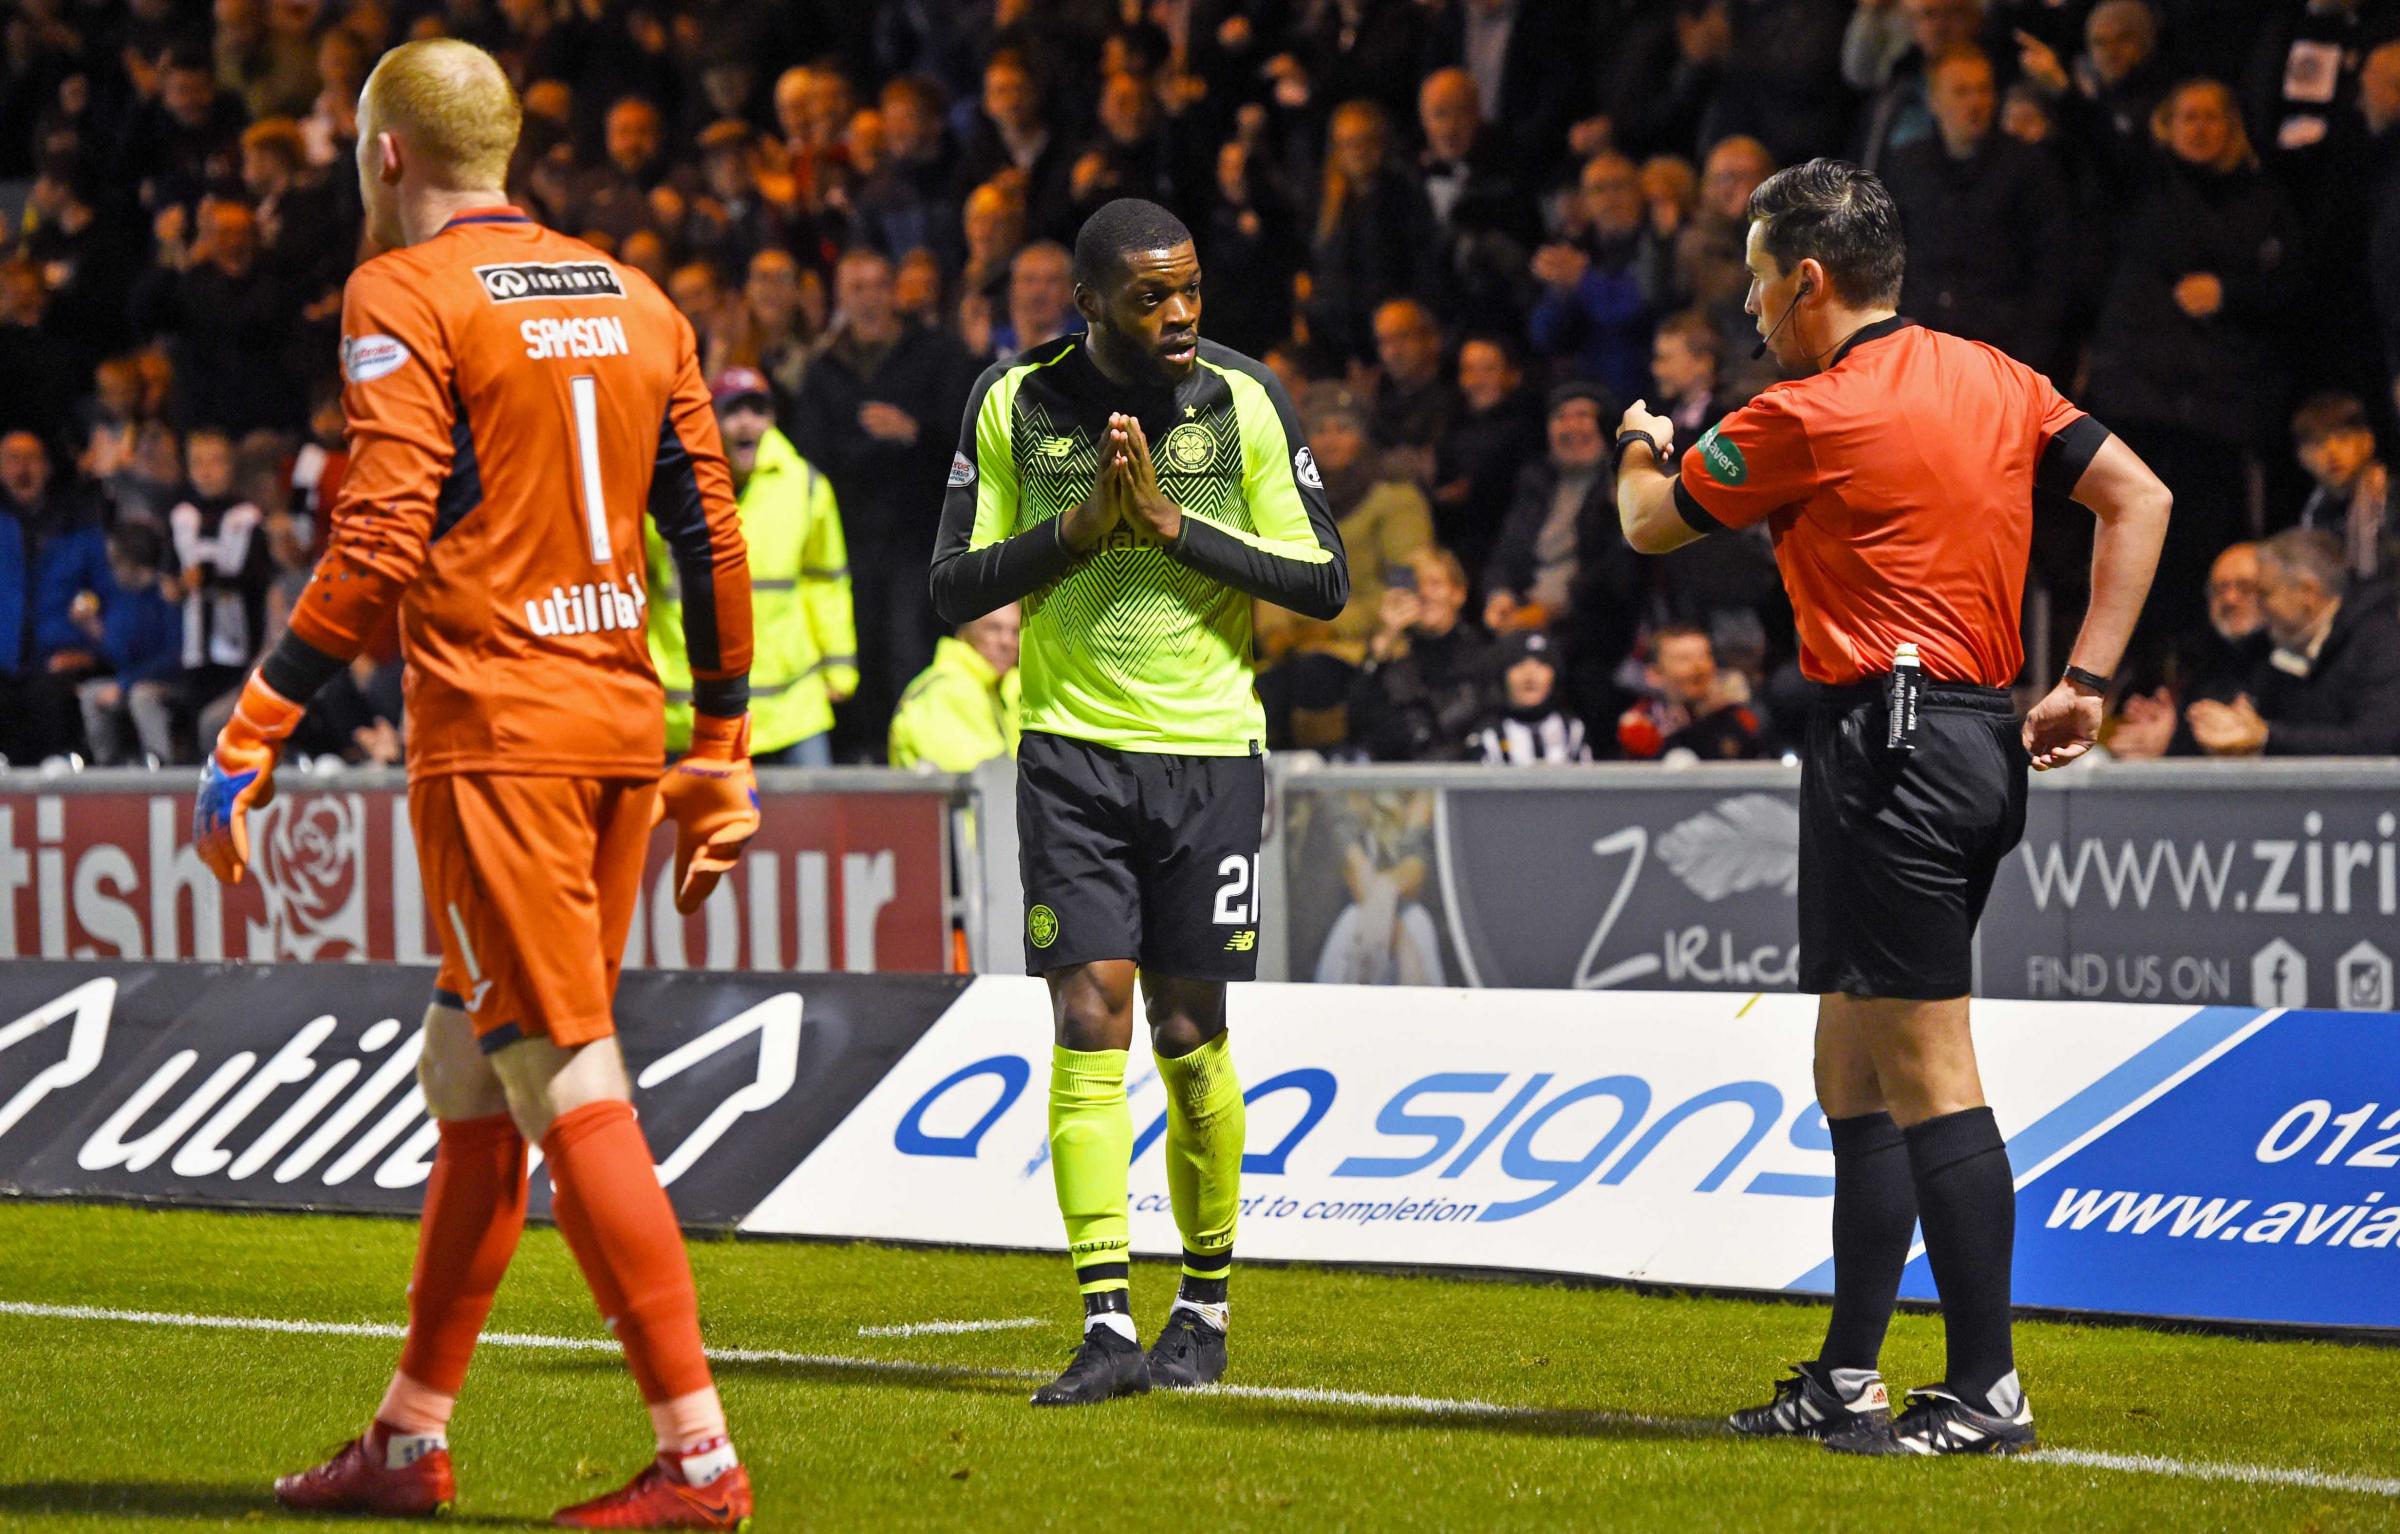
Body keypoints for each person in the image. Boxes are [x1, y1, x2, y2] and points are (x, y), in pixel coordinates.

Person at [190, 41, 758, 1527]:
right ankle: (410, 1435)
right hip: (618, 727)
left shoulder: (402, 292)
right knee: (472, 1065)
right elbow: (709, 528)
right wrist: (724, 741)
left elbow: (377, 548)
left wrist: (257, 719)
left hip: (497, 730)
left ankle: (698, 1457)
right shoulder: (638, 295)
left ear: (385, 155)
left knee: (563, 1064)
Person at [1614, 159, 2171, 1455]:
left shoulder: (1805, 411)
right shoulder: (1998, 377)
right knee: (1851, 1068)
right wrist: (2087, 675)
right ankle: (1849, 1375)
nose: (1749, 302)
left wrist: (1641, 438)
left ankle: (1989, 1389)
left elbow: (1650, 523)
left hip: (1893, 746)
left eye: (1756, 275)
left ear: (1807, 279)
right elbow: (2138, 496)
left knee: (1923, 1068)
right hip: (1966, 733)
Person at [929, 197, 1347, 1407]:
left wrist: (1173, 528)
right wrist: (1075, 530)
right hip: (1071, 751)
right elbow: (953, 585)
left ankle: (1204, 1305)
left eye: (1193, 292)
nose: (1181, 317)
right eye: (1153, 297)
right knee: (1088, 1011)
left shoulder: (1243, 401)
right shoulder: (1017, 403)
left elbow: (1324, 579)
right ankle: (1107, 1320)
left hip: (1211, 752)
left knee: (1186, 1031)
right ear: (1091, 303)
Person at [787, 246, 970, 760]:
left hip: (917, 539)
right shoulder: (823, 372)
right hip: (849, 544)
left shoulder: (936, 356)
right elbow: (811, 455)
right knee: (858, 652)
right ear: (841, 298)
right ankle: (862, 760)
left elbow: (968, 443)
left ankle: (915, 755)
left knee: (909, 649)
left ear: (894, 292)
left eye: (876, 286)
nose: (867, 299)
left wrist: (916, 433)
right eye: (855, 288)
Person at [649, 367, 855, 767]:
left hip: (792, 705)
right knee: (691, 829)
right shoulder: (672, 489)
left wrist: (839, 666)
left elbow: (826, 580)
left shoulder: (804, 485)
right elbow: (639, 586)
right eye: (733, 412)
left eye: (758, 410)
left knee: (811, 826)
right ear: (709, 421)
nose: (747, 423)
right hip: (687, 710)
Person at [2187, 527, 2400, 756]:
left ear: (2307, 592)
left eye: (2265, 593)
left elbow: (2377, 741)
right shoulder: (2273, 650)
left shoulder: (2381, 642)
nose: (2259, 606)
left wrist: (2266, 737)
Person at [2108, 541, 2270, 759]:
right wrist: (2165, 738)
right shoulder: (2204, 664)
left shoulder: (2291, 659)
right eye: (2220, 589)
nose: (2230, 599)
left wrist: (2174, 742)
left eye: (2245, 587)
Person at [1347, 546, 1500, 762]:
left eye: (1435, 584)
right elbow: (1358, 721)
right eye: (1416, 586)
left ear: (1459, 593)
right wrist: (1384, 640)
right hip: (1405, 780)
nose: (1425, 594)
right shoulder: (1394, 661)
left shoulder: (1483, 654)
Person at [75, 521, 186, 765]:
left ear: (135, 562)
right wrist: (93, 629)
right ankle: (107, 765)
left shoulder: (166, 595)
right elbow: (118, 653)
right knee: (91, 694)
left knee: (141, 696)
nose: (112, 570)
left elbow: (173, 657)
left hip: (172, 683)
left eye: (117, 563)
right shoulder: (120, 597)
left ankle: (160, 764)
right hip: (130, 679)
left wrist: (126, 684)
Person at [888, 603, 1021, 770]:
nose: (1007, 641)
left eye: (1016, 632)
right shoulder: (947, 690)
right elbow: (986, 776)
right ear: (963, 633)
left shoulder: (1007, 689)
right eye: (993, 629)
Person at [2289, 392, 2397, 590]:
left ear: (2367, 442)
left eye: (2343, 438)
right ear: (2302, 457)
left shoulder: (2392, 496)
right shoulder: (2314, 516)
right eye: (2318, 443)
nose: (2332, 451)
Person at [1616, 624, 1768, 761]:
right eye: (1684, 659)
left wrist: (1714, 717)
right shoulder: (1640, 724)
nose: (1698, 667)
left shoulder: (1737, 716)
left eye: (1704, 656)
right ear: (1655, 674)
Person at [1471, 628, 1591, 763]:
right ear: (1503, 676)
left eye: (1540, 665)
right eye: (1519, 665)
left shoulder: (1572, 729)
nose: (1530, 676)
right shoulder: (1489, 734)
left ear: (1554, 675)